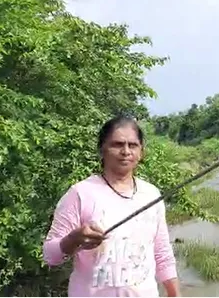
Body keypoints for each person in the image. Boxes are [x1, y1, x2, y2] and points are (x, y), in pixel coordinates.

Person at [42, 115, 181, 297]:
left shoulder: (151, 194)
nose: (126, 151)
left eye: (132, 145)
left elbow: (162, 254)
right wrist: (74, 238)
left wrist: (174, 294)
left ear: (141, 152)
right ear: (102, 150)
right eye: (117, 144)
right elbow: (50, 255)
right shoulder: (80, 193)